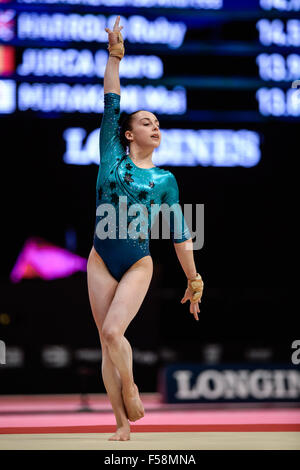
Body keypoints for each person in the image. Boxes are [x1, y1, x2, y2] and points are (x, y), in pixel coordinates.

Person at [87, 15, 204, 441]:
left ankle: (133, 385)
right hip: (100, 257)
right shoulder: (110, 152)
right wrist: (114, 56)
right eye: (147, 122)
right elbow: (111, 100)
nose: (156, 127)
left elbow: (180, 234)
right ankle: (120, 423)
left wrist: (193, 277)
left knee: (114, 331)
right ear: (128, 134)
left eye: (158, 123)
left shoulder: (165, 181)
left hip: (136, 260)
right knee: (106, 341)